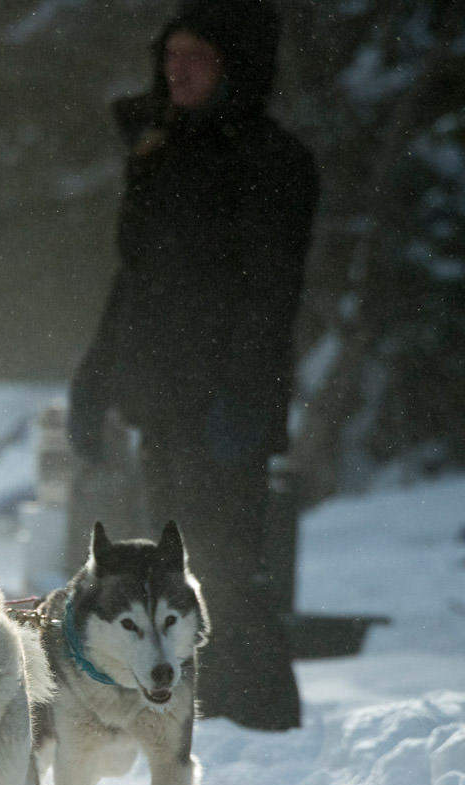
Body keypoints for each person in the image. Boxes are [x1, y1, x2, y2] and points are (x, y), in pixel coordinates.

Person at [66, 0, 318, 730]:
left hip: (226, 404)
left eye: (197, 57)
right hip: (160, 400)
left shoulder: (273, 161)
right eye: (171, 54)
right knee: (172, 581)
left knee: (228, 570)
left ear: (232, 68)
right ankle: (201, 715)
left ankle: (265, 724)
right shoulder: (158, 152)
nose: (178, 70)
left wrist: (244, 394)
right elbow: (133, 282)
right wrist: (94, 381)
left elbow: (272, 294)